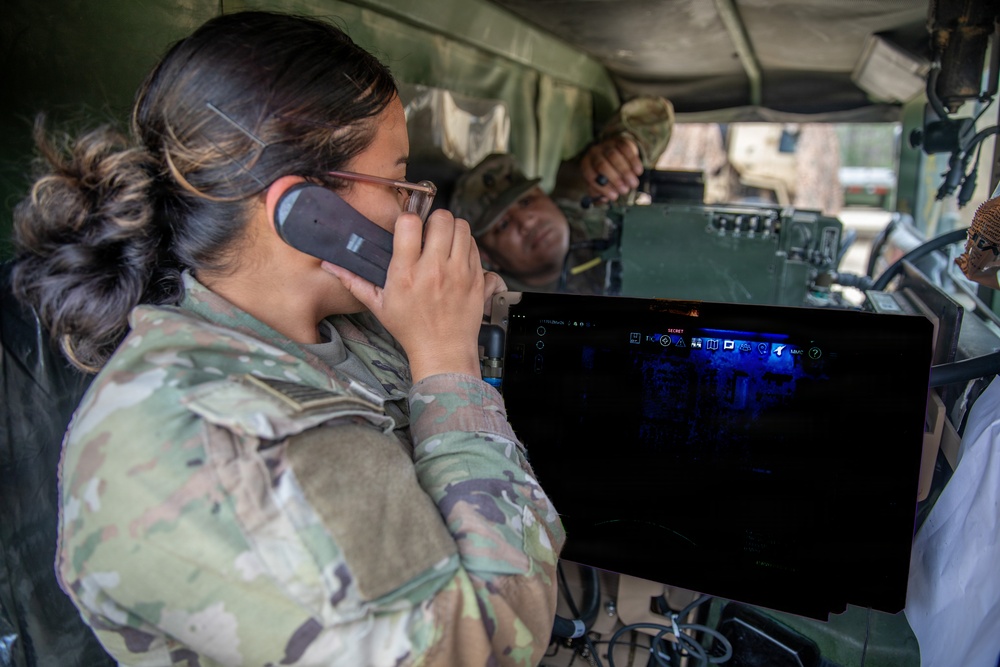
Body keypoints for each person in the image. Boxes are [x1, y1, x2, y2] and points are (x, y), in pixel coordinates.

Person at [10, 11, 565, 666]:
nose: (416, 207)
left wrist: (458, 310)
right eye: (401, 181)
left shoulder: (346, 327)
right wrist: (448, 367)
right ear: (308, 212)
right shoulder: (209, 442)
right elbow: (492, 648)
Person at [449, 97, 674, 294]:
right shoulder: (490, 305)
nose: (526, 221)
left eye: (527, 201)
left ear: (544, 194)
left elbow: (657, 113)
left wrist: (625, 147)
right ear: (488, 257)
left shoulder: (588, 202)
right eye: (503, 225)